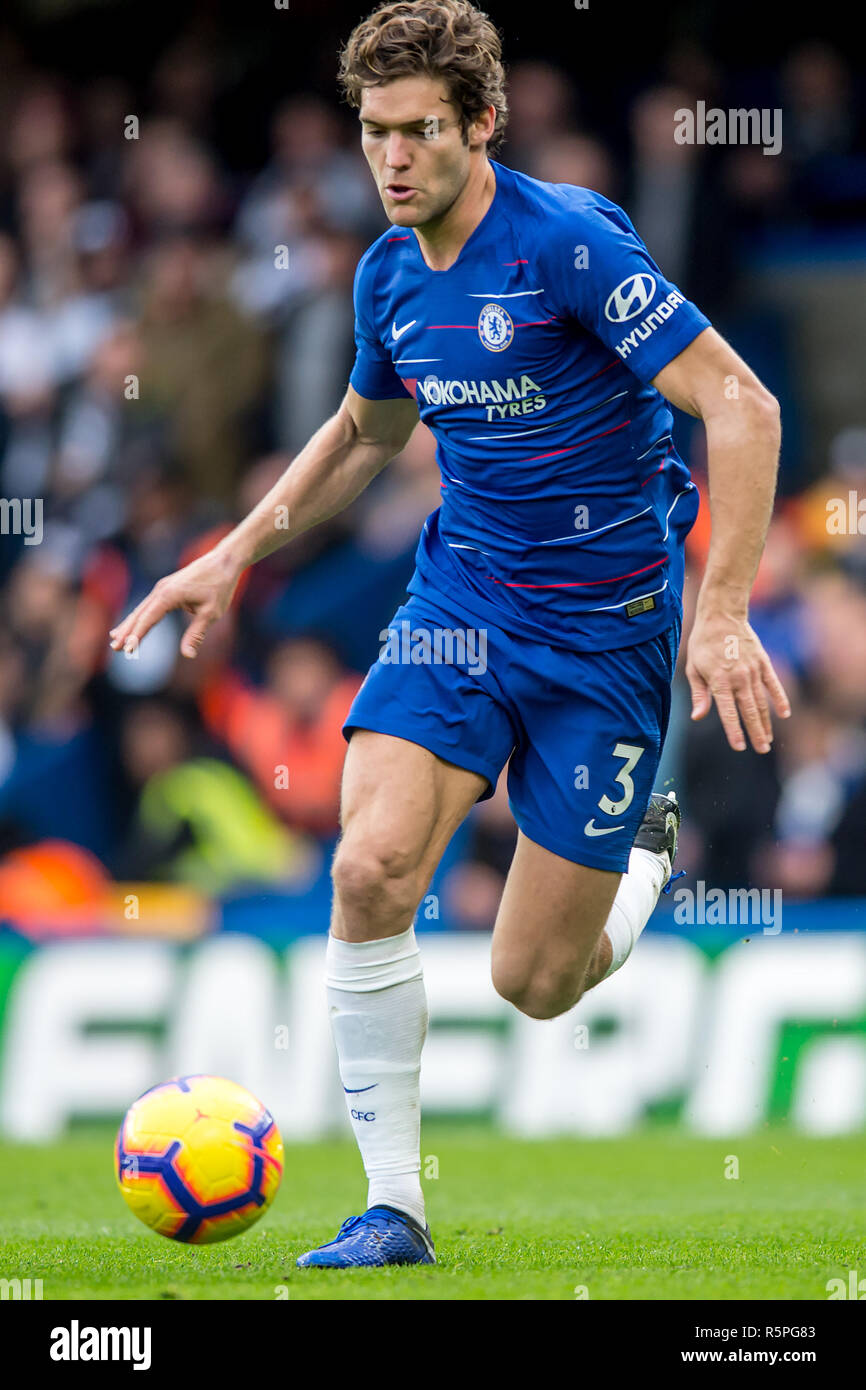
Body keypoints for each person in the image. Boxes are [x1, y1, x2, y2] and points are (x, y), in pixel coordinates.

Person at [109, 0, 790, 1268]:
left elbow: (739, 406)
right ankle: (394, 1208)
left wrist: (725, 611)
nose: (392, 160)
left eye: (419, 131)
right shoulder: (383, 273)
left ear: (481, 124)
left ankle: (642, 856)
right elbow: (367, 435)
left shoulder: (570, 245)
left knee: (533, 983)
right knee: (366, 869)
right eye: (373, 133)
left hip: (606, 637)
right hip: (460, 612)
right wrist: (229, 554)